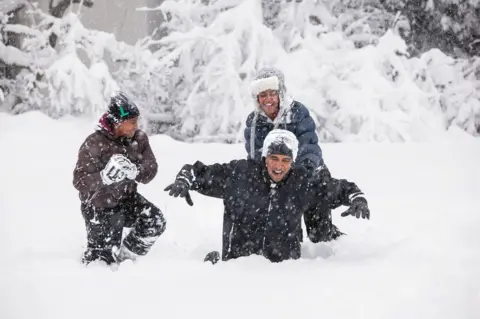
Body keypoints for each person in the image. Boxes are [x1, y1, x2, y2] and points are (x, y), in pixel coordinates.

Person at [165, 129, 370, 263]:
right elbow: (199, 172)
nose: (279, 166)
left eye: (285, 160)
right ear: (264, 157)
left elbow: (339, 188)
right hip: (237, 269)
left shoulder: (301, 183)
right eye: (273, 158)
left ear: (292, 162)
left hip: (282, 274)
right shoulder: (240, 173)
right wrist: (185, 179)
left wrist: (356, 198)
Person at [244, 66, 341, 243]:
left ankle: (333, 243)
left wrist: (302, 174)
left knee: (319, 235)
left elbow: (309, 145)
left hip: (310, 175)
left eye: (271, 93)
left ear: (280, 93)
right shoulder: (254, 121)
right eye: (262, 95)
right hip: (278, 178)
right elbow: (255, 156)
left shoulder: (297, 113)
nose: (268, 100)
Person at [73, 92, 166, 265]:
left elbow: (151, 169)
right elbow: (79, 181)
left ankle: (126, 257)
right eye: (131, 122)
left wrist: (135, 171)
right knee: (102, 262)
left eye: (136, 121)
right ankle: (96, 261)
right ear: (117, 122)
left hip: (126, 200)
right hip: (99, 207)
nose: (135, 127)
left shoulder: (139, 139)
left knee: (154, 221)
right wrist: (103, 177)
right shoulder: (94, 143)